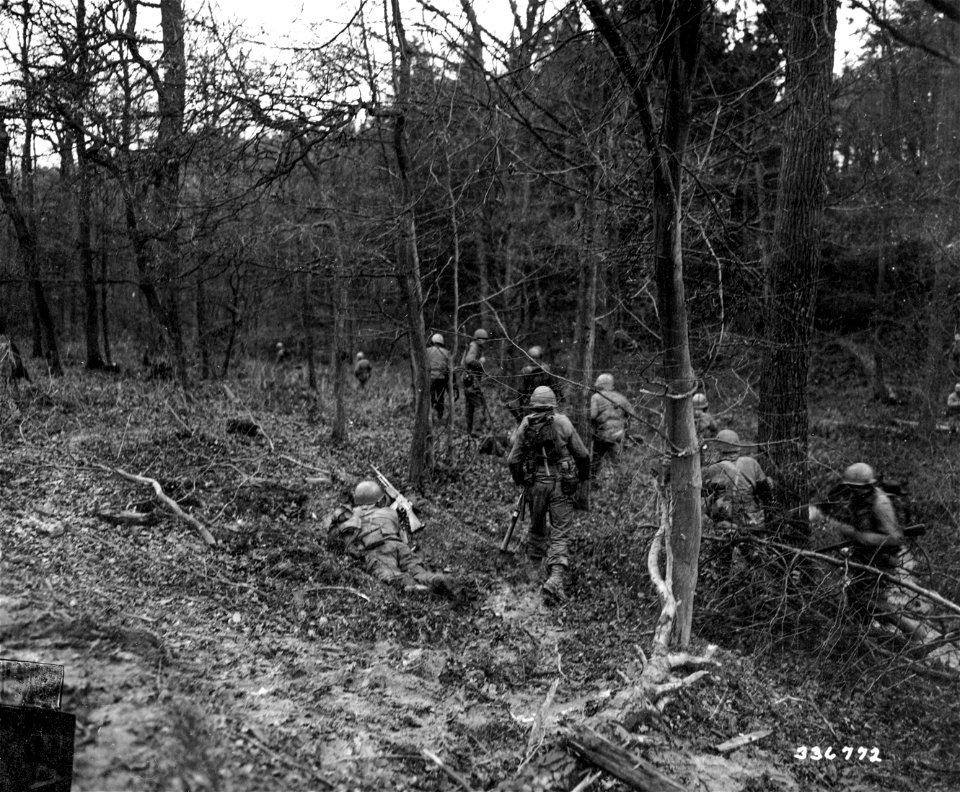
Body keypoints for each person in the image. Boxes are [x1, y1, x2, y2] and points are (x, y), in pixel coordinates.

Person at [507, 386, 591, 603]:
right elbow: (582, 455)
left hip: (535, 485)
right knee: (560, 531)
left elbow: (513, 460)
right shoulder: (562, 422)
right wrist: (581, 479)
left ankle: (533, 576)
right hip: (561, 484)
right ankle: (555, 579)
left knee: (536, 528)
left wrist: (521, 480)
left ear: (534, 403)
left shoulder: (526, 423)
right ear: (553, 403)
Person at [325, 480, 451, 594]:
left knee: (390, 574)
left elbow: (332, 536)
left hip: (378, 547)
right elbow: (401, 533)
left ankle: (411, 586)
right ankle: (436, 579)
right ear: (378, 500)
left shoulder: (352, 515)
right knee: (417, 570)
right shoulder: (389, 512)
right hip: (400, 546)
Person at [702, 429, 772, 528]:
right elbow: (766, 493)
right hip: (752, 521)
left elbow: (701, 493)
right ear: (738, 447)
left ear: (718, 448)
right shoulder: (751, 463)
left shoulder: (713, 469)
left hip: (727, 523)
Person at [589, 373, 632, 478]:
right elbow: (632, 416)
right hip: (618, 434)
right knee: (618, 462)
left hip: (602, 435)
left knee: (596, 460)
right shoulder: (621, 398)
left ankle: (592, 482)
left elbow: (592, 415)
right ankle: (623, 484)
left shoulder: (596, 397)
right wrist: (626, 432)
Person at [461, 328, 489, 435]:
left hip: (469, 382)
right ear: (477, 338)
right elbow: (468, 360)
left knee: (470, 406)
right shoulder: (474, 346)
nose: (484, 341)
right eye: (482, 339)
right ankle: (477, 431)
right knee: (479, 406)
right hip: (472, 382)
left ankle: (468, 430)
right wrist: (480, 363)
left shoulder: (473, 346)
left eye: (485, 339)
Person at [426, 333, 453, 420]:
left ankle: (429, 417)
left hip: (430, 378)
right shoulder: (446, 352)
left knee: (430, 398)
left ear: (433, 341)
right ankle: (440, 416)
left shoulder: (427, 350)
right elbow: (449, 368)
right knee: (440, 398)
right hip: (441, 379)